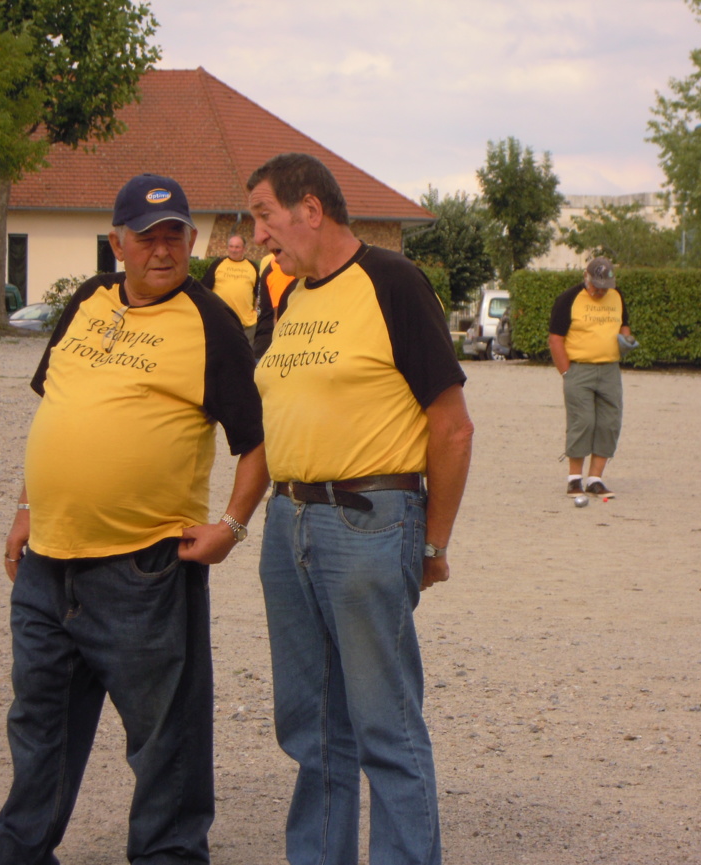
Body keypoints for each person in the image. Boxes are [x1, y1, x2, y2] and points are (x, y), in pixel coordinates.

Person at [0, 174, 267, 865]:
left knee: (165, 734)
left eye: (175, 236)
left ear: (192, 241)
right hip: (47, 560)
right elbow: (57, 412)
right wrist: (24, 507)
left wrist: (231, 525)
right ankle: (20, 845)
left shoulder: (208, 321)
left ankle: (168, 851)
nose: (162, 250)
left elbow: (256, 445)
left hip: (143, 566)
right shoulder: (86, 300)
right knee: (38, 717)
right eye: (146, 236)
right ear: (118, 243)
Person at [246, 153, 473, 865]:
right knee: (311, 726)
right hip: (290, 525)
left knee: (385, 723)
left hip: (368, 517)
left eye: (263, 216)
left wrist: (432, 543)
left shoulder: (393, 283)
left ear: (310, 208)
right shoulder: (289, 296)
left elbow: (452, 423)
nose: (257, 236)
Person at [547, 256, 632, 498]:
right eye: (596, 286)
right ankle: (574, 479)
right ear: (586, 277)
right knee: (582, 421)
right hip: (579, 369)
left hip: (609, 370)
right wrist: (567, 372)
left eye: (605, 286)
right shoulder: (568, 299)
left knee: (609, 423)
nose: (600, 291)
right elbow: (555, 339)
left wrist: (626, 339)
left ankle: (595, 479)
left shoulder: (617, 296)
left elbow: (624, 324)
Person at [201, 233, 260, 343]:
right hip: (220, 321)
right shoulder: (218, 264)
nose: (234, 250)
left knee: (244, 358)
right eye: (231, 246)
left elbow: (259, 294)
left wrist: (256, 313)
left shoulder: (253, 267)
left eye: (237, 247)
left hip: (246, 324)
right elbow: (204, 290)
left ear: (244, 249)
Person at [251, 250, 294, 356]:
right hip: (272, 349)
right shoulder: (282, 268)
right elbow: (278, 316)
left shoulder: (279, 264)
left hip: (266, 345)